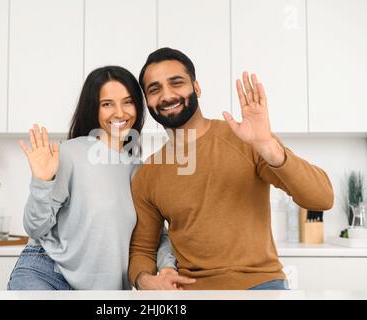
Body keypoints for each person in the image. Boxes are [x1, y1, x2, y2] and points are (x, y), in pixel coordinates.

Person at [128, 48, 334, 290]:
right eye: (155, 89)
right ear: (148, 102)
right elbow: (142, 248)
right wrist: (145, 281)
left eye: (177, 83)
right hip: (191, 293)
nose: (167, 95)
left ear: (196, 88)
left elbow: (322, 198)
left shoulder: (245, 140)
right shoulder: (149, 173)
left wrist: (268, 145)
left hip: (260, 286)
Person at [7, 66, 183, 290]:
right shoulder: (70, 153)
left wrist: (168, 267)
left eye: (128, 102)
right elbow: (35, 228)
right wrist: (42, 182)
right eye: (107, 104)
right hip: (48, 273)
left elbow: (156, 234)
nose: (120, 113)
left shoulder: (141, 171)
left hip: (102, 288)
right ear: (93, 108)